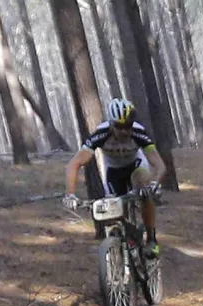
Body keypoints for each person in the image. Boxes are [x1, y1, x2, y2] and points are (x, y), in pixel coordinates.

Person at [64, 96, 162, 255]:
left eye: (128, 126)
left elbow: (159, 165)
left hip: (136, 166)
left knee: (143, 188)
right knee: (112, 213)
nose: (125, 131)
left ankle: (151, 239)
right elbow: (74, 163)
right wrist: (70, 194)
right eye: (119, 127)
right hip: (113, 172)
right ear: (111, 124)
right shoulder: (101, 134)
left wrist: (154, 184)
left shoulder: (138, 132)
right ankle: (121, 244)